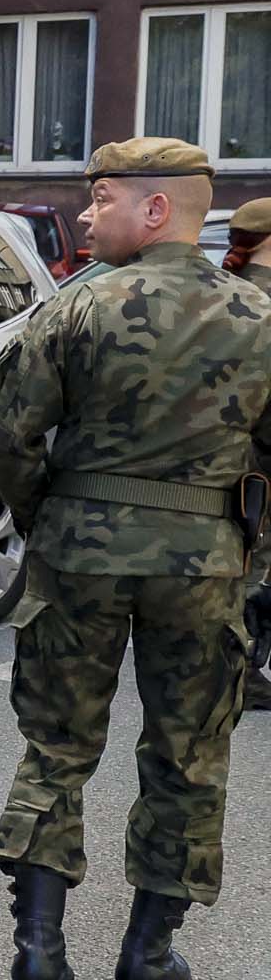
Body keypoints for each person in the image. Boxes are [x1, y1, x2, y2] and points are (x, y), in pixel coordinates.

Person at [0, 137, 271, 980]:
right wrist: (249, 549)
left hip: (81, 553)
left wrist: (47, 515)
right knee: (189, 752)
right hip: (203, 560)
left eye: (102, 198)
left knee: (57, 747)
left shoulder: (79, 305)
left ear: (156, 209)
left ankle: (38, 955)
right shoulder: (258, 316)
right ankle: (148, 957)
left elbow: (3, 431)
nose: (86, 212)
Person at [223, 198, 271, 713]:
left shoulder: (222, 294)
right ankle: (241, 674)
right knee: (251, 574)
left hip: (220, 469)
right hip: (259, 471)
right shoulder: (266, 303)